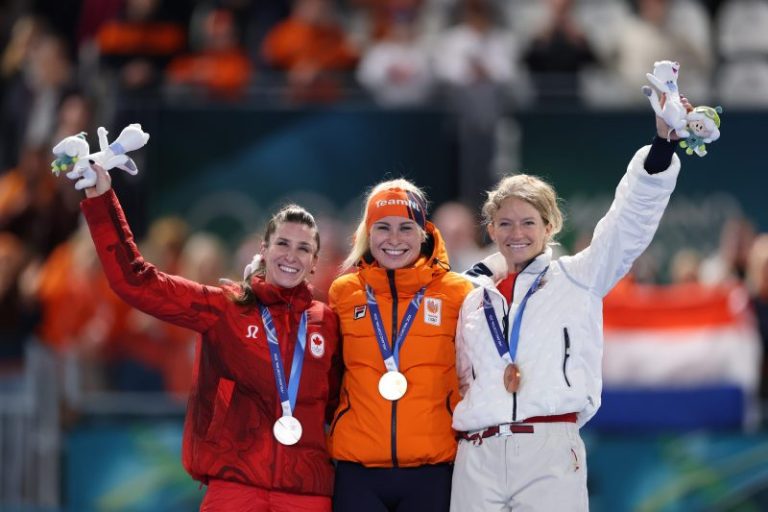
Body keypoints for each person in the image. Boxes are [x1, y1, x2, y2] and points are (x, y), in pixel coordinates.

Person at [449, 103, 688, 511]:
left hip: (549, 448)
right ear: (490, 230)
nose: (516, 233)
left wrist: (662, 144)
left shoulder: (580, 277)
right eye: (504, 223)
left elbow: (628, 223)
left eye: (528, 222)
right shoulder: (468, 296)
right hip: (476, 451)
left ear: (549, 226)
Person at [76, 163, 342, 511]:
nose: (291, 255)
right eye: (282, 243)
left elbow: (344, 406)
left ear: (314, 262)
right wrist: (102, 200)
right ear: (263, 249)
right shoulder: (226, 309)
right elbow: (138, 282)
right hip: (235, 485)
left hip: (305, 492)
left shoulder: (328, 323)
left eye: (303, 248)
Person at [327, 179, 501, 511]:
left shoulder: (455, 293)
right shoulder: (344, 292)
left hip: (432, 469)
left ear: (423, 232)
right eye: (383, 227)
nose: (394, 239)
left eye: (406, 227)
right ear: (368, 233)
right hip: (357, 470)